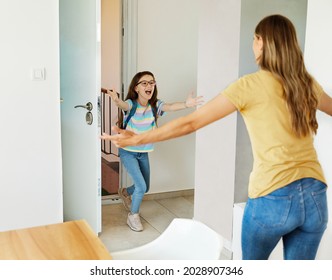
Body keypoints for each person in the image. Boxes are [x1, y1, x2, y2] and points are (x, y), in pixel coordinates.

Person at [101, 15, 332, 259]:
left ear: (261, 42)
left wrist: (137, 138)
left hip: (273, 195)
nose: (253, 45)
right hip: (316, 194)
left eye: (254, 39)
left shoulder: (250, 85)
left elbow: (191, 122)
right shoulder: (305, 83)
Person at [105, 71, 203, 232]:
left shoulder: (155, 105)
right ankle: (133, 216)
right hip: (128, 151)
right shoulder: (132, 104)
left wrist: (187, 104)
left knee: (146, 186)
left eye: (151, 82)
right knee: (142, 187)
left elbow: (170, 106)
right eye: (144, 83)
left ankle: (125, 192)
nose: (149, 86)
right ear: (136, 88)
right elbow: (123, 105)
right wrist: (116, 100)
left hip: (143, 152)